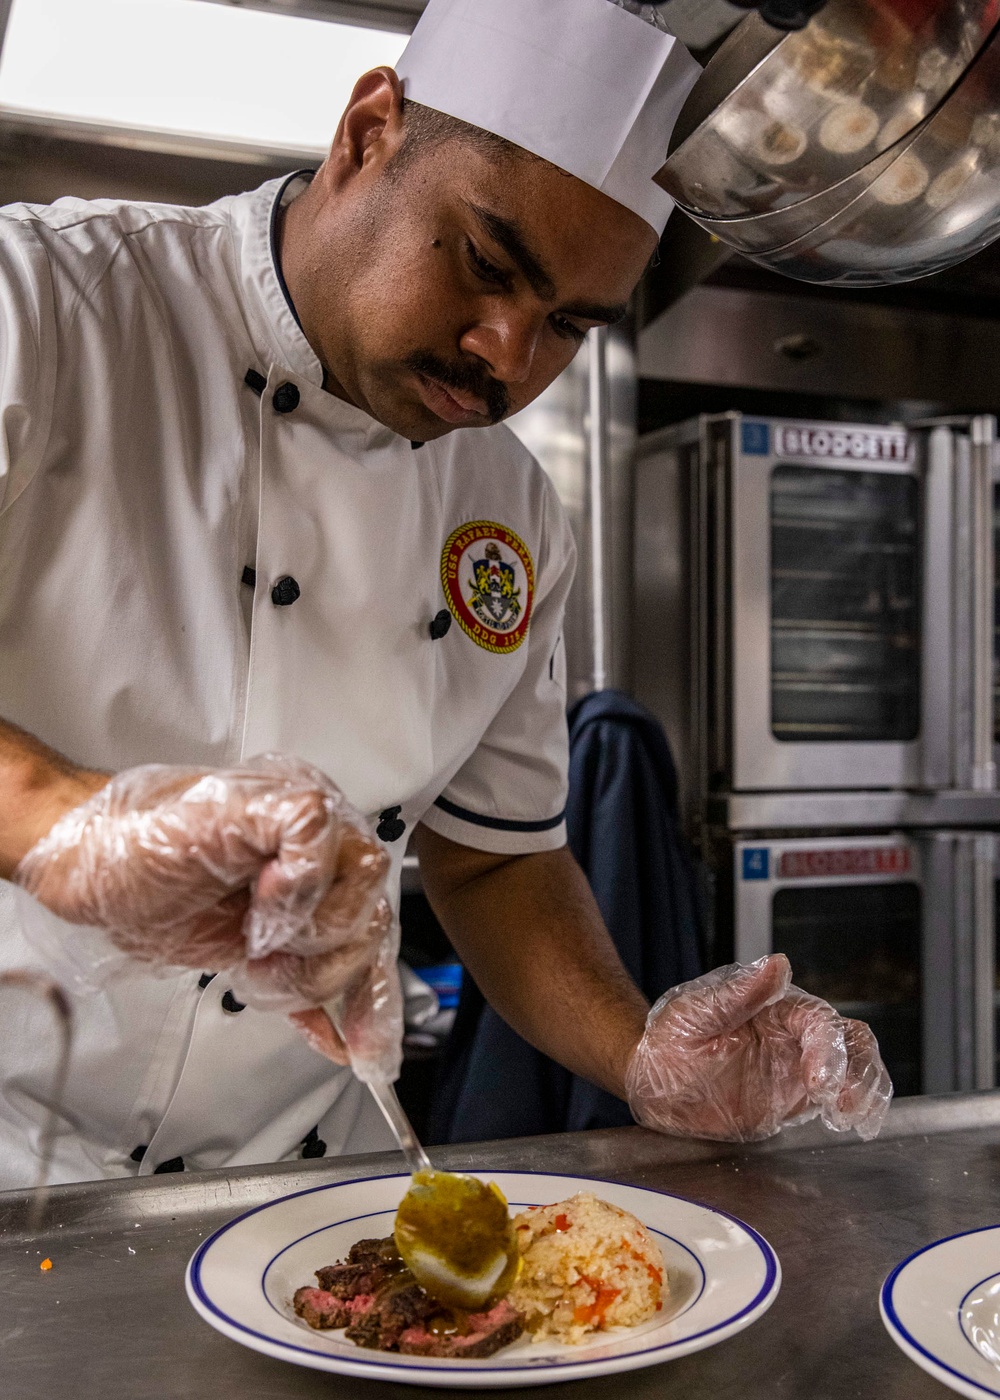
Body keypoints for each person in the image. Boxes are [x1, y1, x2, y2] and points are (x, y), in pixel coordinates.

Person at [0, 0, 890, 1188]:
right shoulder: (47, 306)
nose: (509, 355)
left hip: (298, 1185)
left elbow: (494, 860)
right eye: (486, 263)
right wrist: (68, 820)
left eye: (570, 324)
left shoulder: (514, 515)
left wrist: (638, 1053)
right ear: (369, 131)